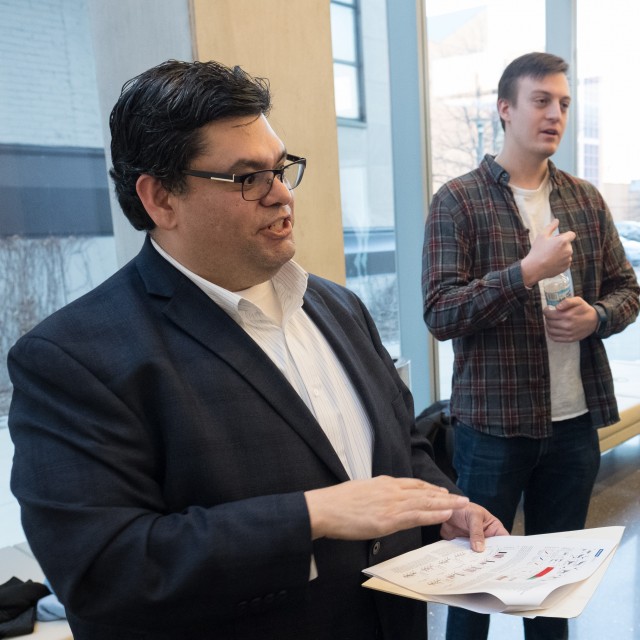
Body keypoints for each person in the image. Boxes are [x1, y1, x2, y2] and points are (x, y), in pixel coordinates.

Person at [8, 59, 507, 640]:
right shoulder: (74, 356)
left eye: (280, 168)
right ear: (160, 199)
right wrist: (312, 515)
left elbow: (401, 451)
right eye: (247, 178)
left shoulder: (337, 308)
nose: (280, 196)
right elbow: (102, 570)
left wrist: (447, 509)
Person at [422, 51, 640, 640]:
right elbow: (441, 313)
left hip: (573, 427)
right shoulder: (458, 201)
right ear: (505, 109)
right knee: (473, 585)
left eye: (564, 103)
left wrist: (595, 317)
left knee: (551, 590)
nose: (555, 114)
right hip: (492, 428)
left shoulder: (586, 199)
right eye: (541, 101)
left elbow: (628, 289)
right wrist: (523, 272)